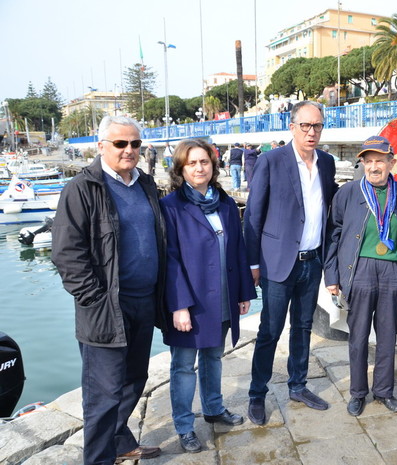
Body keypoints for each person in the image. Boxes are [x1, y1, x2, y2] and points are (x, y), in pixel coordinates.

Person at [52, 115, 166, 464]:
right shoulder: (82, 189)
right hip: (105, 310)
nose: (129, 150)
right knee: (102, 396)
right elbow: (67, 254)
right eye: (120, 143)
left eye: (135, 143)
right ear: (101, 146)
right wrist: (95, 300)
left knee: (135, 378)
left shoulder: (145, 185)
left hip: (144, 303)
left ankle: (118, 442)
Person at [160, 139, 257, 453]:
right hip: (191, 302)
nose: (199, 168)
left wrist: (244, 291)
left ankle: (214, 408)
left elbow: (237, 250)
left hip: (223, 296)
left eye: (204, 162)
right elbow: (170, 259)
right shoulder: (171, 207)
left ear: (214, 166)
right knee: (184, 366)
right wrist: (179, 306)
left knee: (214, 357)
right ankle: (185, 426)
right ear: (181, 169)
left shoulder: (226, 203)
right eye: (192, 163)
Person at [244, 101, 337, 425]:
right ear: (292, 126)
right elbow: (253, 217)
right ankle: (257, 394)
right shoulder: (271, 161)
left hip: (312, 262)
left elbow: (328, 209)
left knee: (303, 327)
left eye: (317, 126)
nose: (312, 132)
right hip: (277, 264)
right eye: (305, 126)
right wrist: (252, 264)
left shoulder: (327, 162)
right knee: (270, 330)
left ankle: (298, 385)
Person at [324, 136, 397, 417]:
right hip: (358, 270)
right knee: (358, 336)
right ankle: (358, 393)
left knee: (387, 335)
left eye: (380, 161)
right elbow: (333, 234)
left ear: (391, 163)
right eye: (368, 161)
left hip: (391, 271)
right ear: (362, 163)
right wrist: (331, 276)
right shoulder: (348, 193)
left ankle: (384, 391)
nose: (374, 167)